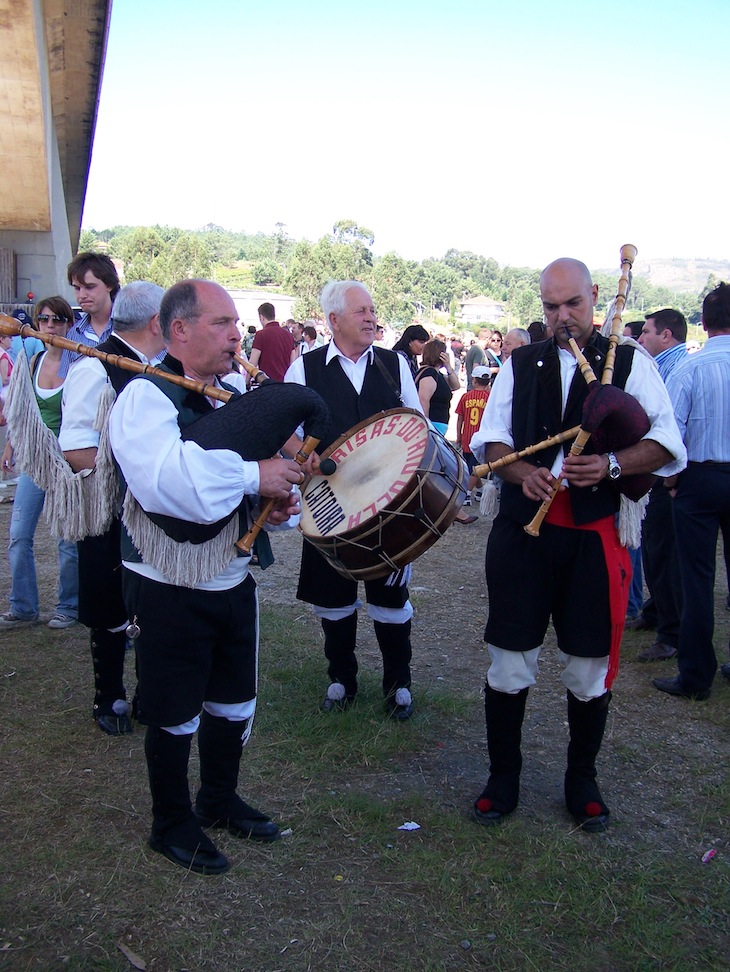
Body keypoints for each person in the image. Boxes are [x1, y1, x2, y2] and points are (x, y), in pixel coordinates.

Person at [469, 257, 686, 832]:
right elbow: (492, 441)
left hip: (593, 537)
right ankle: (503, 776)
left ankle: (581, 779)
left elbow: (666, 442)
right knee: (510, 659)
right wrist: (521, 475)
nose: (562, 318)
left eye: (573, 305)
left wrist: (612, 465)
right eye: (550, 307)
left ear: (596, 297)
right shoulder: (521, 362)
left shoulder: (631, 362)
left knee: (589, 665)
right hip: (523, 535)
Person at [109, 279, 303, 876]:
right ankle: (170, 822)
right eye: (221, 323)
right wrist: (254, 476)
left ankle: (216, 801)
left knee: (233, 702)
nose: (236, 335)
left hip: (231, 577)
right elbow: (173, 482)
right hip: (168, 580)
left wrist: (274, 497)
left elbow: (248, 482)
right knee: (173, 709)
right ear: (179, 330)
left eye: (236, 323)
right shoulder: (146, 398)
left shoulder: (234, 393)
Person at [285, 280, 423, 720]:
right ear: (333, 321)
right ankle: (341, 678)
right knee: (335, 597)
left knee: (391, 598)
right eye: (361, 311)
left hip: (391, 504)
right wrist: (305, 458)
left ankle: (398, 684)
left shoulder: (394, 363)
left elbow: (415, 423)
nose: (371, 318)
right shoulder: (304, 369)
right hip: (329, 503)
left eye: (372, 310)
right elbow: (285, 432)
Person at [58, 281, 166, 736]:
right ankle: (109, 696)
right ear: (157, 323)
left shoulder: (157, 368)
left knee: (151, 605)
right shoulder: (95, 369)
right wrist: (130, 482)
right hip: (109, 512)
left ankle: (148, 694)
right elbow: (76, 448)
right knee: (109, 608)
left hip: (154, 514)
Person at [653, 283, 730, 701]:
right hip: (703, 473)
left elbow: (672, 435)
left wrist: (670, 480)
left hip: (698, 477)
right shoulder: (691, 366)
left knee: (696, 578)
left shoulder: (691, 368)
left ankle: (697, 673)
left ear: (706, 320)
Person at [0, 298, 79, 630]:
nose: (50, 325)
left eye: (57, 319)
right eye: (43, 319)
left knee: (67, 538)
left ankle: (70, 606)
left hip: (67, 462)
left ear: (68, 324)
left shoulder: (78, 365)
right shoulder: (31, 361)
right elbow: (23, 412)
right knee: (18, 535)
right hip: (35, 459)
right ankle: (23, 607)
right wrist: (10, 446)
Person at [626, 309, 689, 661]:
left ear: (666, 335)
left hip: (675, 476)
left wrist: (671, 477)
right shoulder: (674, 364)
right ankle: (655, 612)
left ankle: (671, 632)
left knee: (665, 556)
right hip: (687, 473)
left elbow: (671, 431)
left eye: (647, 332)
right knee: (657, 552)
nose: (642, 339)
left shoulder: (675, 369)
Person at [59, 252, 120, 378]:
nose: (82, 295)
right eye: (77, 288)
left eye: (89, 287)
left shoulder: (132, 326)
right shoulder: (73, 335)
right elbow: (66, 385)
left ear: (109, 285)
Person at [455, 365, 492, 509]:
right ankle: (473, 492)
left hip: (467, 435)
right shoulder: (490, 398)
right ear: (488, 382)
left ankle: (467, 493)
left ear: (474, 380)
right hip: (482, 437)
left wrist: (458, 435)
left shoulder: (466, 396)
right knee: (475, 467)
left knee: (471, 467)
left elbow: (460, 418)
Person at [249, 302, 294, 382]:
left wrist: (246, 382)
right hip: (286, 383)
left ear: (261, 317)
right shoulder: (288, 335)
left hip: (268, 384)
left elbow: (253, 363)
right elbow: (293, 361)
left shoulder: (260, 335)